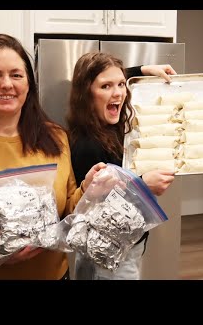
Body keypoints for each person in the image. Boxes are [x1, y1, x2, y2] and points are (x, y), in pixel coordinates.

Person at [0, 34, 103, 280]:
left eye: (16, 75)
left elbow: (67, 209)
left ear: (28, 84)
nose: (6, 84)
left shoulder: (55, 137)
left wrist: (89, 189)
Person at [67, 52, 177, 279]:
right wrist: (143, 185)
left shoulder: (105, 127)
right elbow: (101, 215)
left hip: (123, 250)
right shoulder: (89, 145)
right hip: (108, 259)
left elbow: (116, 77)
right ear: (86, 94)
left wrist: (143, 70)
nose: (117, 92)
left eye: (120, 84)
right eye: (105, 86)